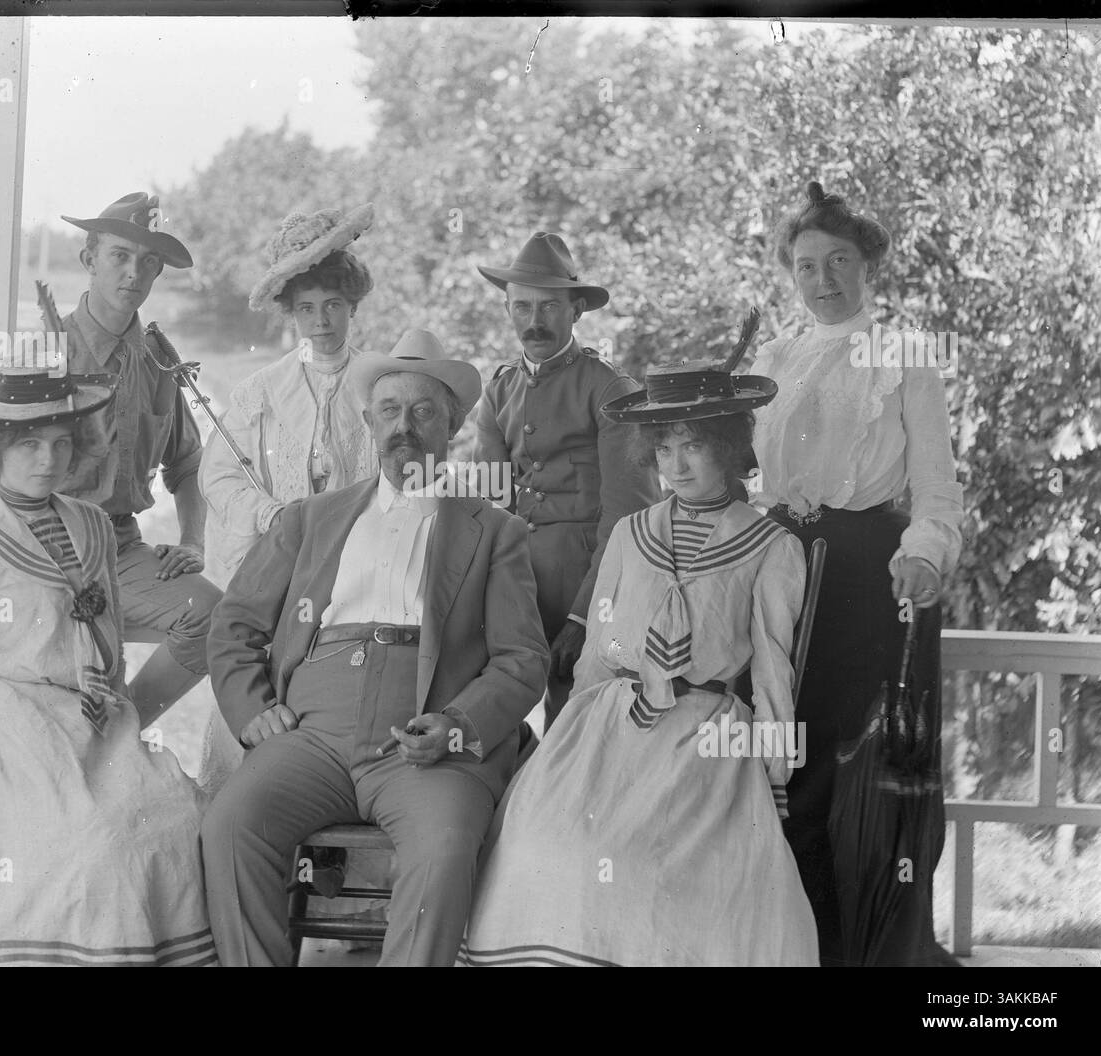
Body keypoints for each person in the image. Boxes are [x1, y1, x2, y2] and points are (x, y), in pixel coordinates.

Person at [202, 330, 549, 966]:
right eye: (389, 411)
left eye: (423, 411)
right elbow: (234, 625)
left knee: (444, 846)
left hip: (429, 742)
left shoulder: (495, 532)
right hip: (313, 735)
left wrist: (457, 725)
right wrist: (254, 708)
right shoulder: (310, 518)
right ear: (368, 422)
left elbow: (523, 659)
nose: (404, 427)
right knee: (231, 826)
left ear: (454, 424)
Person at [459, 355, 817, 966]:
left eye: (694, 447)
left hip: (704, 731)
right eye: (664, 449)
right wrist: (568, 739)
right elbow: (600, 652)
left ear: (731, 451)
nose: (675, 466)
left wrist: (776, 770)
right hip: (610, 720)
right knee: (542, 836)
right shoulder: (630, 533)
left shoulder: (771, 545)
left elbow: (771, 667)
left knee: (650, 858)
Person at [0, 361, 215, 966]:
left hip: (90, 721)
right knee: (96, 844)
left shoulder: (92, 524)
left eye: (62, 444)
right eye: (30, 445)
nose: (49, 460)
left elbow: (106, 630)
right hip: (4, 724)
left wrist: (119, 713)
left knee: (176, 816)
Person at [752, 180, 964, 966]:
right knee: (782, 762)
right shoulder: (776, 356)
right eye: (806, 266)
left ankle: (867, 954)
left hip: (870, 584)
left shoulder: (906, 358)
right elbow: (753, 481)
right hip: (780, 573)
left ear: (869, 264)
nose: (823, 280)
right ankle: (793, 947)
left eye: (839, 261)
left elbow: (938, 489)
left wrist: (922, 556)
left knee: (862, 779)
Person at [0, 192, 222, 726]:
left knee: (218, 619)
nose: (133, 273)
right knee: (57, 673)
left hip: (118, 546)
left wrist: (192, 541)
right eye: (119, 255)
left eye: (148, 262)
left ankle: (122, 727)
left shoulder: (159, 359)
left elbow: (187, 464)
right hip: (36, 551)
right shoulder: (41, 353)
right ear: (89, 259)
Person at [197, 203, 378, 796]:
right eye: (307, 309)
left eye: (332, 306)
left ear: (352, 306)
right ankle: (244, 805)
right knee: (261, 670)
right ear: (290, 314)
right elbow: (218, 478)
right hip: (279, 567)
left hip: (356, 571)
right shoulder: (261, 391)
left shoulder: (382, 386)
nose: (321, 321)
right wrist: (269, 513)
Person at [473, 232, 661, 729]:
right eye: (522, 308)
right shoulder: (499, 391)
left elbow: (630, 519)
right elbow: (489, 506)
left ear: (576, 310)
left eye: (549, 308)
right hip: (516, 582)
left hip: (588, 584)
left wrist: (586, 617)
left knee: (579, 720)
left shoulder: (611, 389)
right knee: (491, 715)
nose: (533, 323)